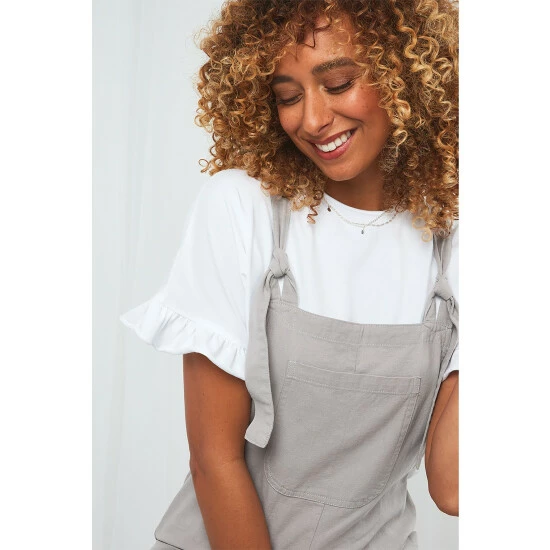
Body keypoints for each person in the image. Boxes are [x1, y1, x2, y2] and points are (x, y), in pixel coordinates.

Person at [120, 0, 459, 548]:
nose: (312, 119)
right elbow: (214, 460)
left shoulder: (451, 240)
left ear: (406, 75)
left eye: (339, 83)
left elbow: (455, 487)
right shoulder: (244, 207)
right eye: (287, 96)